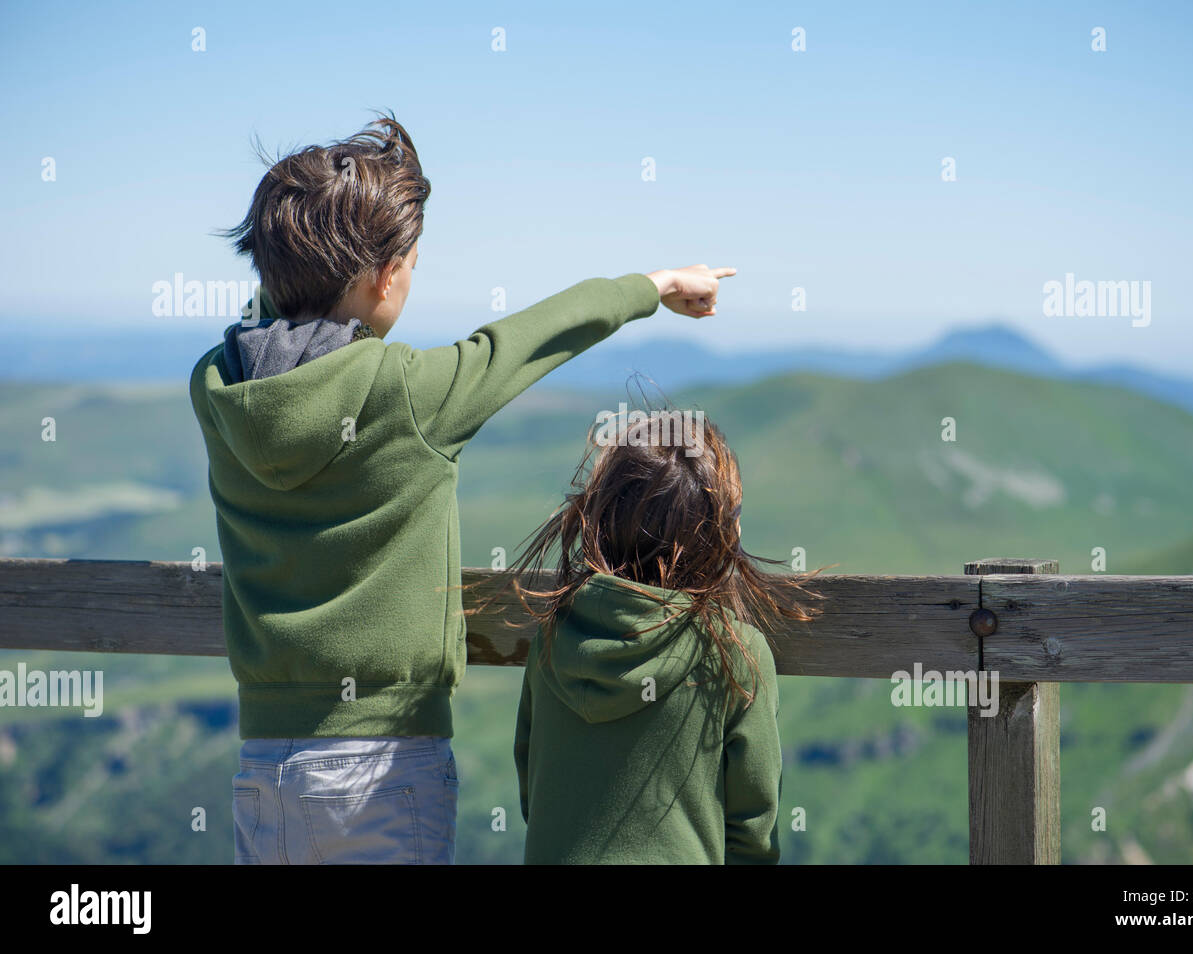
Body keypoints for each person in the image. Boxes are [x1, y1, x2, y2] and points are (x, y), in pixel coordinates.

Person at [188, 112, 734, 863]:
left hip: (264, 764)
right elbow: (532, 337)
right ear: (385, 276)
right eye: (410, 261)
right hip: (383, 766)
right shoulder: (409, 394)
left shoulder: (219, 387)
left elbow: (276, 324)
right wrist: (658, 284)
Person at [511, 410, 819, 863]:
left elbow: (531, 795)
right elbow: (753, 836)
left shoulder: (554, 638)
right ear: (715, 532)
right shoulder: (734, 654)